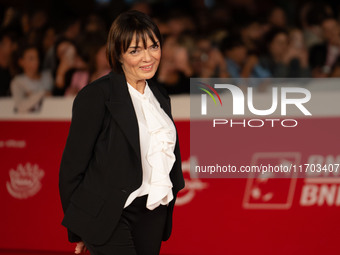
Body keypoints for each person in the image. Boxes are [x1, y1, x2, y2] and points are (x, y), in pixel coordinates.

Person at [58, 10, 185, 255]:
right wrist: (81, 225)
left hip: (152, 213)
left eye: (153, 46)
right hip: (110, 215)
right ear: (118, 54)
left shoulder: (159, 95)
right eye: (135, 50)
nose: (148, 57)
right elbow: (72, 169)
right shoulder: (96, 96)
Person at [10, 44, 52, 113]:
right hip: (29, 120)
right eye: (31, 58)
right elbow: (20, 106)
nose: (36, 61)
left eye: (37, 57)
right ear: (21, 62)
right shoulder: (17, 82)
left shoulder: (48, 77)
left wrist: (31, 95)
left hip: (50, 116)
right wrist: (42, 94)